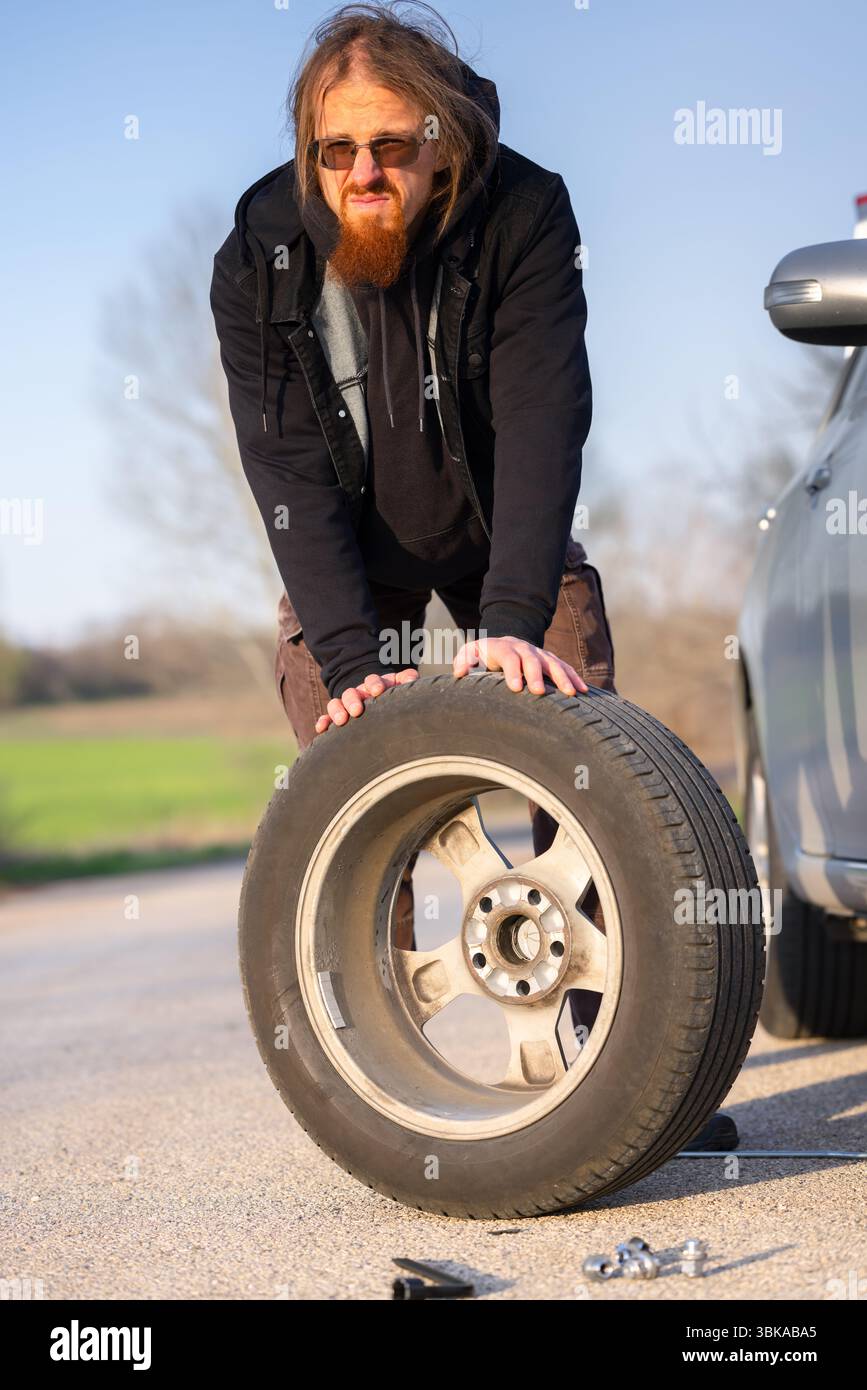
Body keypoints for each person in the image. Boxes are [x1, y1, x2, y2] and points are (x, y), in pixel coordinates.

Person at [210, 1, 735, 1154]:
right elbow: (284, 463)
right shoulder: (263, 249)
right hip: (349, 554)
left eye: (390, 147)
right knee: (345, 761)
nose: (362, 175)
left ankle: (629, 1056)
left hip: (508, 526)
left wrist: (512, 618)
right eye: (334, 151)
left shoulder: (527, 211)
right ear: (308, 145)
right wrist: (349, 662)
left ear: (441, 136)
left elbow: (549, 416)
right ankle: (384, 1072)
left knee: (594, 767)